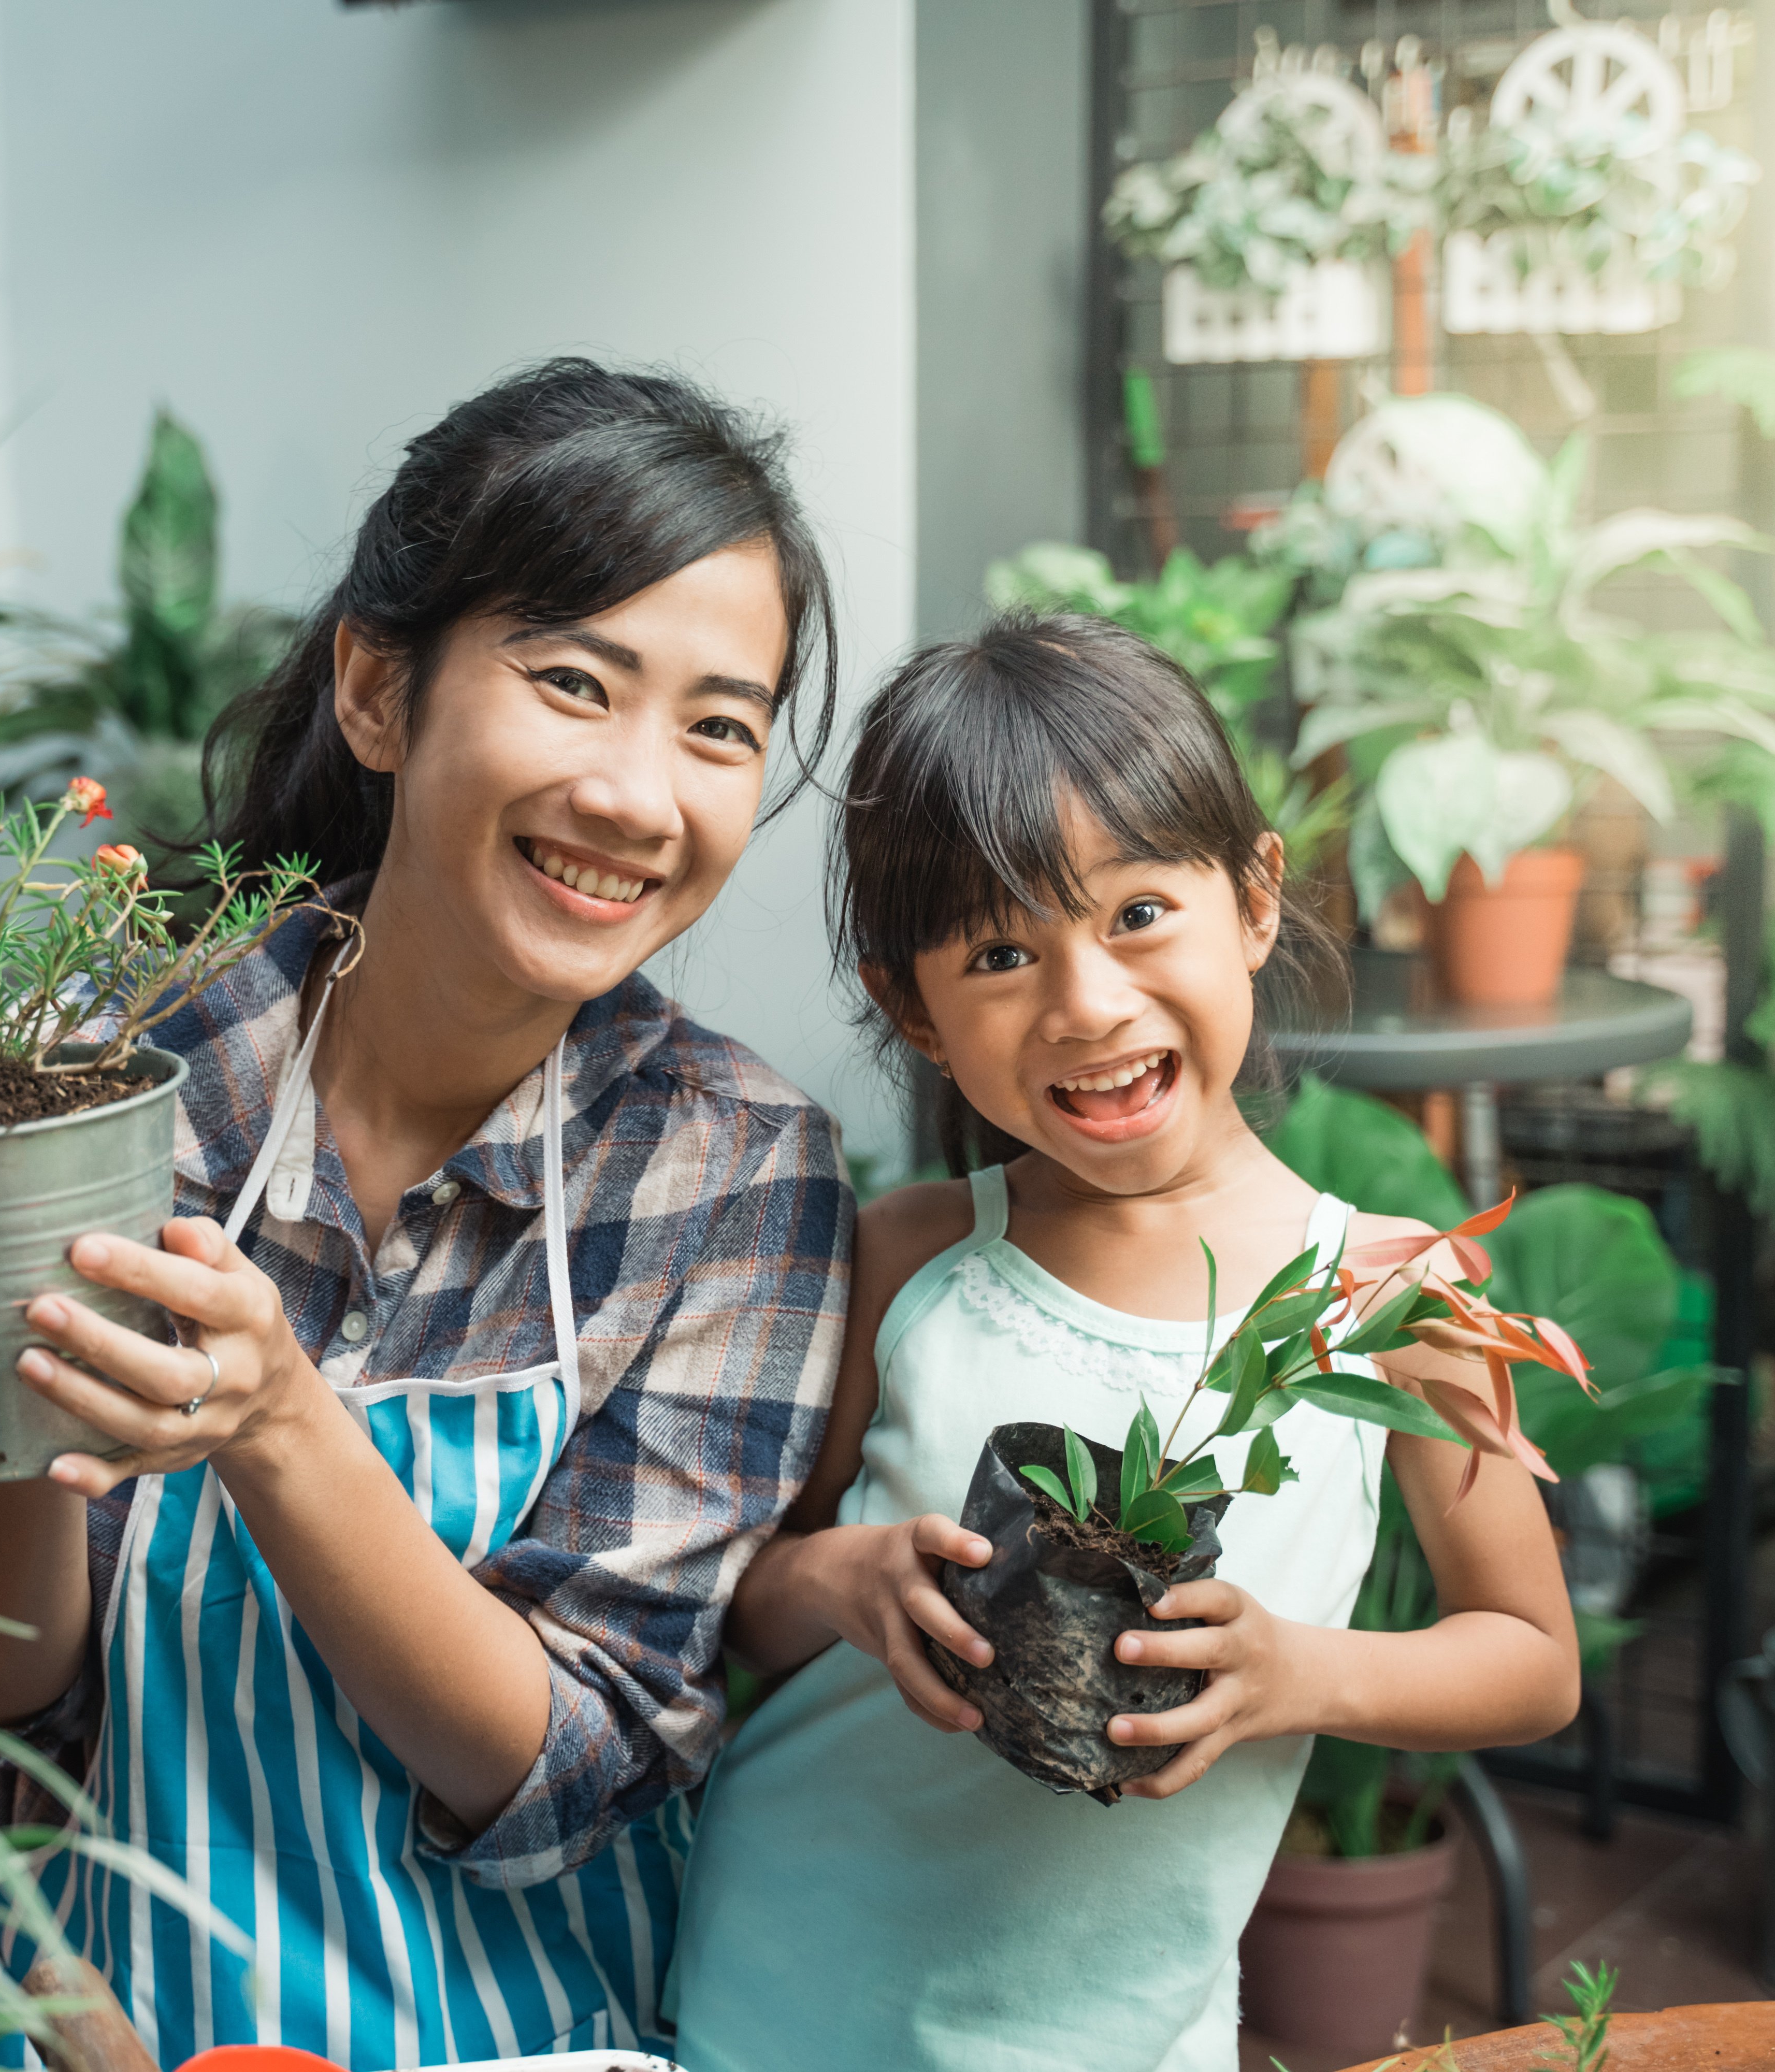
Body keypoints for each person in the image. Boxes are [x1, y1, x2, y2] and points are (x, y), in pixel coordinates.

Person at [0, 360, 854, 2067]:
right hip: (103, 2025)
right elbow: (4, 1700)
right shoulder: (129, 1075)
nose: (644, 797)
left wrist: (277, 1423)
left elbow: (565, 1772)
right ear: (375, 686)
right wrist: (0, 1412)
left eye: (719, 725)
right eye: (576, 683)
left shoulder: (733, 1172)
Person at [666, 614, 1580, 2072]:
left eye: (1140, 913)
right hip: (777, 1996)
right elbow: (737, 1610)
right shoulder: (910, 1258)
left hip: (1120, 2037)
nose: (1088, 1002)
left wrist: (1300, 1675)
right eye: (1001, 952)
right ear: (916, 1006)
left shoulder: (1401, 1299)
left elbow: (1533, 1662)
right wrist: (837, 1579)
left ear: (1257, 898)